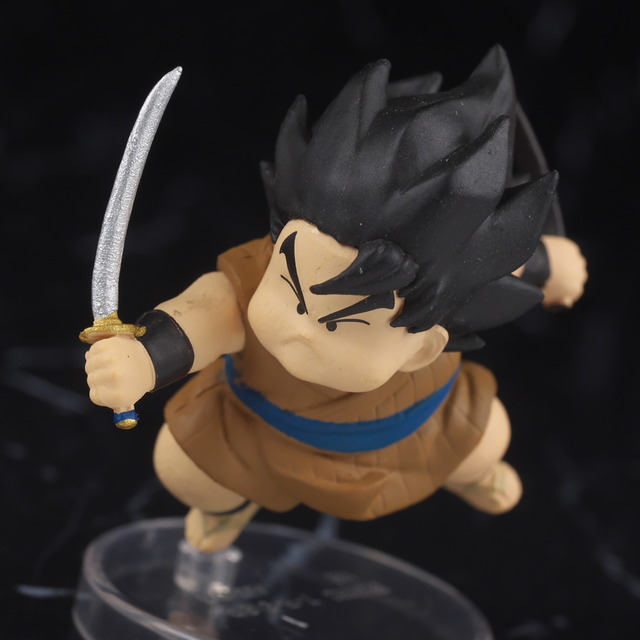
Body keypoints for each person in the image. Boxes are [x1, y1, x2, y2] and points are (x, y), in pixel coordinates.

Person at [85, 46, 587, 552]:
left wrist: (550, 265)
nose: (297, 327)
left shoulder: (448, 284)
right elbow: (206, 311)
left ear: (421, 349)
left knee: (486, 437)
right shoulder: (268, 263)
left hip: (417, 431)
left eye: (341, 321)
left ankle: (471, 475)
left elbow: (499, 260)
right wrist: (145, 358)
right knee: (186, 468)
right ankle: (228, 507)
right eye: (291, 290)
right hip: (258, 428)